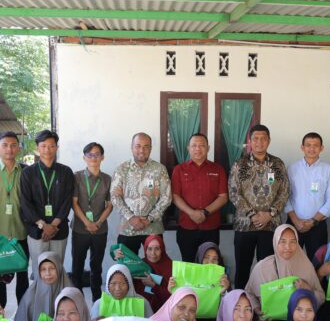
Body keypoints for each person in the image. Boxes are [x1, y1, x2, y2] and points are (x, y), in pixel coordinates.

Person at [229, 124, 290, 289]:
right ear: (250, 141)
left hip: (270, 225)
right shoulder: (239, 164)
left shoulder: (277, 164)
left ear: (269, 141)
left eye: (263, 138)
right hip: (244, 225)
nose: (259, 142)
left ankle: (266, 302)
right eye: (255, 138)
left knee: (268, 270)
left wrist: (270, 213)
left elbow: (284, 192)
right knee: (242, 268)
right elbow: (234, 192)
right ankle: (240, 300)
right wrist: (252, 214)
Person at [0, 131, 29, 308]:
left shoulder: (26, 171)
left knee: (23, 277)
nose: (9, 149)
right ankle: (0, 314)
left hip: (21, 233)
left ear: (19, 148)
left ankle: (23, 313)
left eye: (13, 145)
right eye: (5, 145)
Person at [19, 129, 75, 277]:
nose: (47, 150)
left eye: (51, 146)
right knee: (39, 270)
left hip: (59, 229)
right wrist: (44, 225)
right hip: (36, 229)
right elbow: (25, 203)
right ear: (37, 148)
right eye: (43, 146)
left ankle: (57, 294)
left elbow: (67, 201)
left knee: (57, 269)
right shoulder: (28, 173)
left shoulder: (66, 171)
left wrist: (53, 225)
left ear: (57, 147)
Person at [245, 224, 325, 318]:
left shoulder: (306, 266)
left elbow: (321, 297)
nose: (288, 247)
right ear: (275, 242)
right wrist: (257, 309)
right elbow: (248, 293)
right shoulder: (262, 267)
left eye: (293, 241)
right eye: (282, 241)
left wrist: (308, 290)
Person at [110, 132, 172, 255]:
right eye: (138, 146)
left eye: (146, 146)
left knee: (155, 264)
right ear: (131, 147)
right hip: (127, 229)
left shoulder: (159, 169)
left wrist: (149, 219)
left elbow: (166, 197)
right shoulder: (122, 169)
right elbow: (115, 197)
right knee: (126, 264)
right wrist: (131, 218)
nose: (142, 150)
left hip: (153, 228)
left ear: (151, 148)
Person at [172, 134, 228, 262]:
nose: (197, 148)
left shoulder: (218, 169)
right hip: (186, 227)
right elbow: (175, 196)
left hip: (211, 227)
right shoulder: (179, 169)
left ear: (208, 148)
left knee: (209, 265)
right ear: (188, 148)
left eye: (202, 145)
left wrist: (205, 212)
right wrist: (191, 213)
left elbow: (223, 197)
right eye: (194, 145)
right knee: (188, 264)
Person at [71, 142, 113, 302]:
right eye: (89, 155)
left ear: (103, 157)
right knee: (77, 266)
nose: (93, 158)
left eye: (97, 154)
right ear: (84, 158)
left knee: (96, 267)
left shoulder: (108, 179)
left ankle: (97, 301)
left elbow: (110, 205)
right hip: (80, 229)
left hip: (100, 230)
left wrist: (99, 222)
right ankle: (77, 301)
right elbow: (74, 203)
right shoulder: (77, 177)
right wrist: (87, 223)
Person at [285, 132, 330, 259]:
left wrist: (313, 221)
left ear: (322, 148)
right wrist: (295, 221)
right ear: (302, 147)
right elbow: (285, 197)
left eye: (316, 145)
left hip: (317, 225)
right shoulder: (291, 169)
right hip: (294, 223)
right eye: (308, 145)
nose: (312, 148)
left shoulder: (329, 170)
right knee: (290, 261)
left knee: (316, 261)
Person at [14, 251, 72, 321]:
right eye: (43, 269)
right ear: (38, 272)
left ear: (59, 268)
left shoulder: (71, 293)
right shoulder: (30, 296)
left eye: (52, 268)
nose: (48, 273)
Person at [90, 264, 154, 320]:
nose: (117, 288)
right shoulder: (99, 304)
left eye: (123, 284)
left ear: (129, 284)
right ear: (107, 285)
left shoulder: (142, 302)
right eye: (113, 283)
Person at [133, 234, 173, 314]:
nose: (153, 253)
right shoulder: (139, 265)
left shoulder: (170, 267)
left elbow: (174, 297)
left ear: (162, 250)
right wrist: (120, 257)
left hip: (165, 311)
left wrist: (154, 286)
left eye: (157, 249)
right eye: (150, 249)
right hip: (142, 312)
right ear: (145, 250)